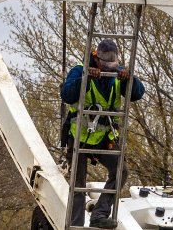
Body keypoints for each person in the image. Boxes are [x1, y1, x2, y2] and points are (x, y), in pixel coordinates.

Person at [57, 38, 146, 229]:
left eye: (112, 66)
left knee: (120, 171)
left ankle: (100, 214)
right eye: (104, 65)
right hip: (79, 138)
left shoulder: (116, 74)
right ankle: (76, 225)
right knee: (78, 184)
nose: (108, 69)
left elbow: (137, 94)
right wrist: (86, 79)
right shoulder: (80, 70)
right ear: (96, 58)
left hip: (103, 139)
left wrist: (130, 79)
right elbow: (66, 95)